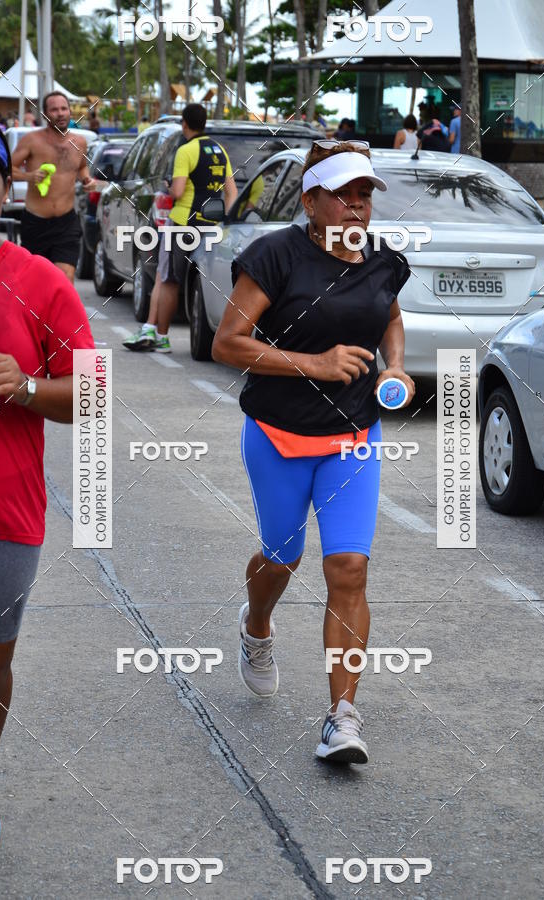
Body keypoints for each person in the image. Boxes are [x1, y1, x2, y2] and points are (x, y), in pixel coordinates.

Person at [212, 139, 415, 764]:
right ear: (311, 201)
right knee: (282, 555)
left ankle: (342, 716)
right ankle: (257, 625)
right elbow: (227, 343)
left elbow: (390, 318)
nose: (358, 208)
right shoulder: (276, 256)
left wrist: (399, 369)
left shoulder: (381, 262)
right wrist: (314, 364)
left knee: (348, 568)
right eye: (345, 196)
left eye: (366, 196)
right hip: (277, 433)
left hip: (353, 435)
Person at [0, 118, 94, 858]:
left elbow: (94, 393)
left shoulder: (41, 281)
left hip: (5, 517)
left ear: (4, 185)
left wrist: (25, 387)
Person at [124, 103, 237, 352]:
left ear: (184, 124)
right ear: (204, 122)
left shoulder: (185, 151)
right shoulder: (220, 150)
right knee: (202, 280)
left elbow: (177, 191)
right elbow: (232, 193)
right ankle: (160, 330)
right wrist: (225, 223)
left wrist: (168, 185)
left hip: (182, 223)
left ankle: (161, 336)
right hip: (210, 225)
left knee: (169, 280)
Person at [11, 91, 97, 283]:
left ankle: (59, 314)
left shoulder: (79, 142)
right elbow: (6, 168)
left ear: (70, 111)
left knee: (64, 279)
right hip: (35, 223)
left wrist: (87, 181)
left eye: (64, 108)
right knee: (35, 282)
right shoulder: (32, 140)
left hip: (66, 223)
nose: (60, 113)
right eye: (54, 109)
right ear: (45, 115)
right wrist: (29, 176)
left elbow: (82, 167)